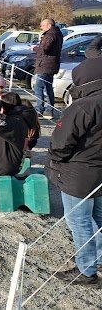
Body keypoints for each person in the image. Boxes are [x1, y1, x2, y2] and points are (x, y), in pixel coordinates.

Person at [45, 48, 102, 285]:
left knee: (79, 221)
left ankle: (86, 270)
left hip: (79, 171)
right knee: (98, 219)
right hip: (99, 170)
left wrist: (55, 162)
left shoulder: (83, 106)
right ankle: (98, 259)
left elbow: (61, 142)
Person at [31, 18, 64, 119]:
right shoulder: (58, 34)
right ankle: (49, 111)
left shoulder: (50, 35)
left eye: (42, 25)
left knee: (38, 87)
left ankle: (39, 110)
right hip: (52, 64)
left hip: (45, 65)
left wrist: (34, 48)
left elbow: (44, 49)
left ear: (49, 26)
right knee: (48, 88)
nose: (41, 27)